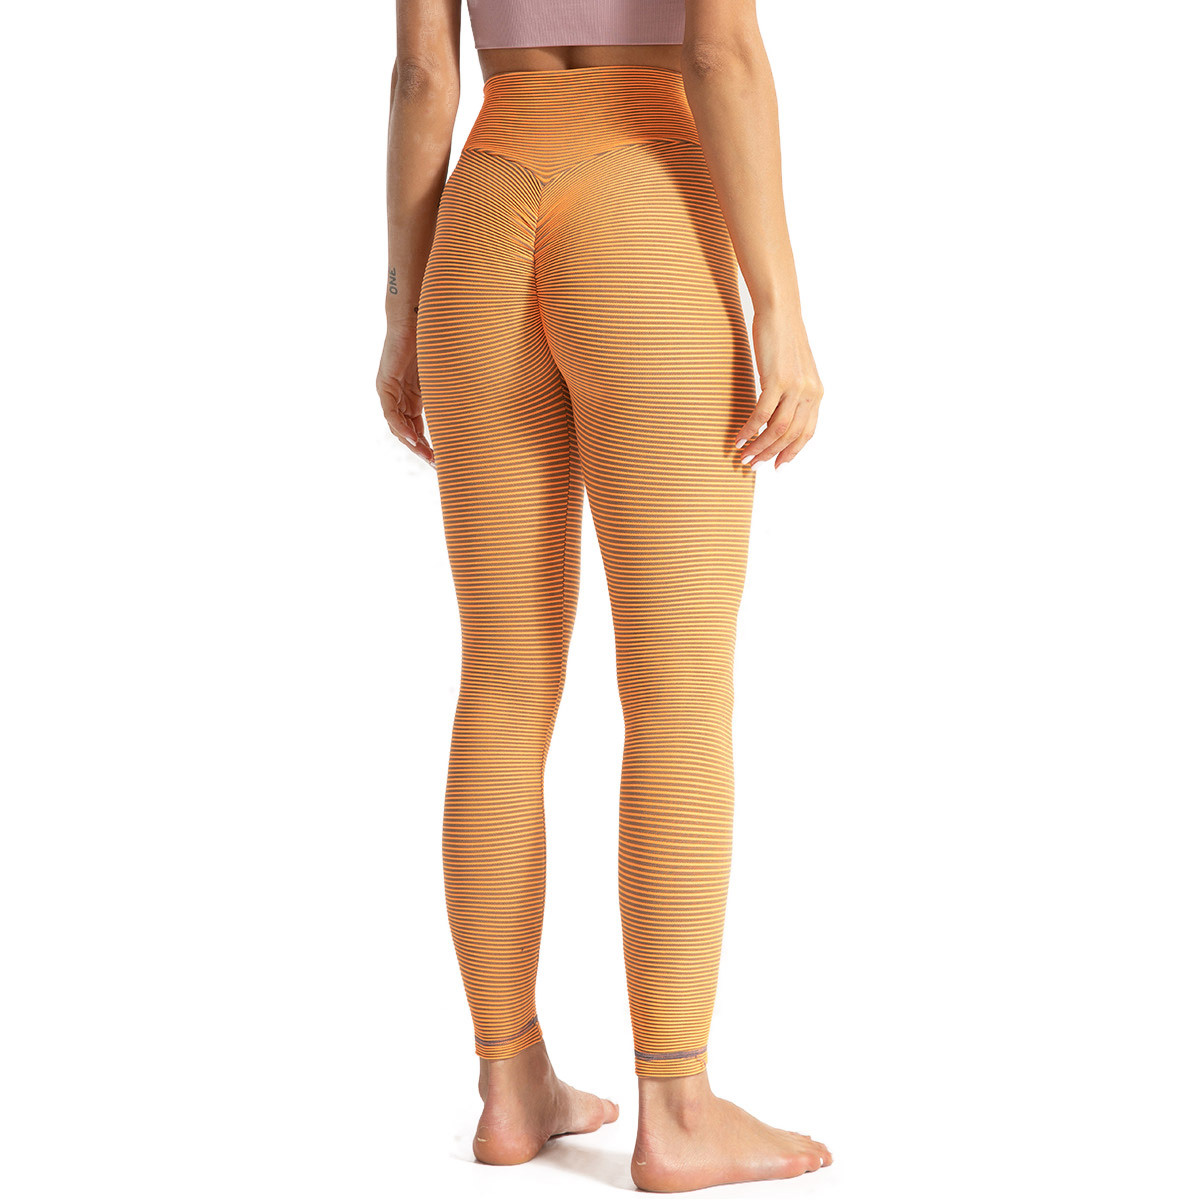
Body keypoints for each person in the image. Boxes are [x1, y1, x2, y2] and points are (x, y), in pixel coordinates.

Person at [375, 0, 829, 1190]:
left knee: (502, 680)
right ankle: (675, 1109)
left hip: (481, 215)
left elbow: (423, 77)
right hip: (644, 207)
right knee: (677, 693)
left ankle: (508, 1081)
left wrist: (402, 313)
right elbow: (721, 52)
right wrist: (780, 307)